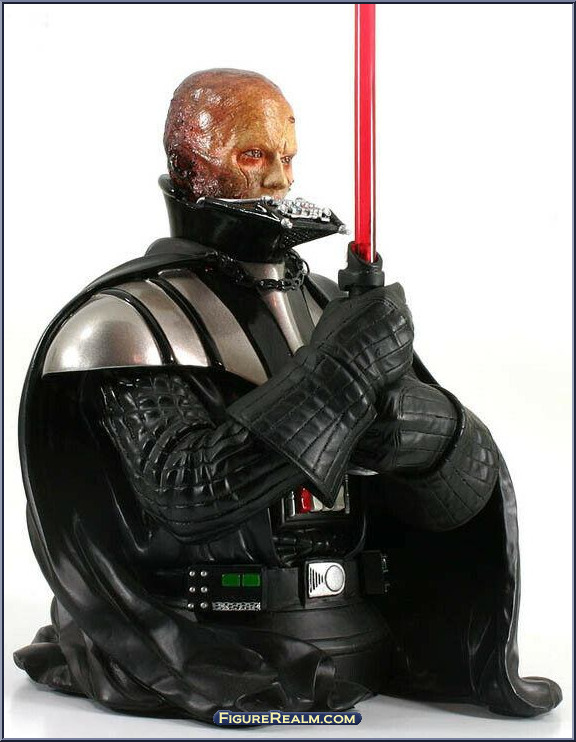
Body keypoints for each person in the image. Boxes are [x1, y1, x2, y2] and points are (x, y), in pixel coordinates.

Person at [15, 68, 561, 722]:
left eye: (287, 156)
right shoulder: (127, 325)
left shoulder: (329, 305)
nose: (278, 179)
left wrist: (423, 432)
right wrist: (343, 376)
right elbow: (189, 493)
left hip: (357, 639)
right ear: (188, 167)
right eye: (252, 155)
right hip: (206, 645)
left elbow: (459, 497)